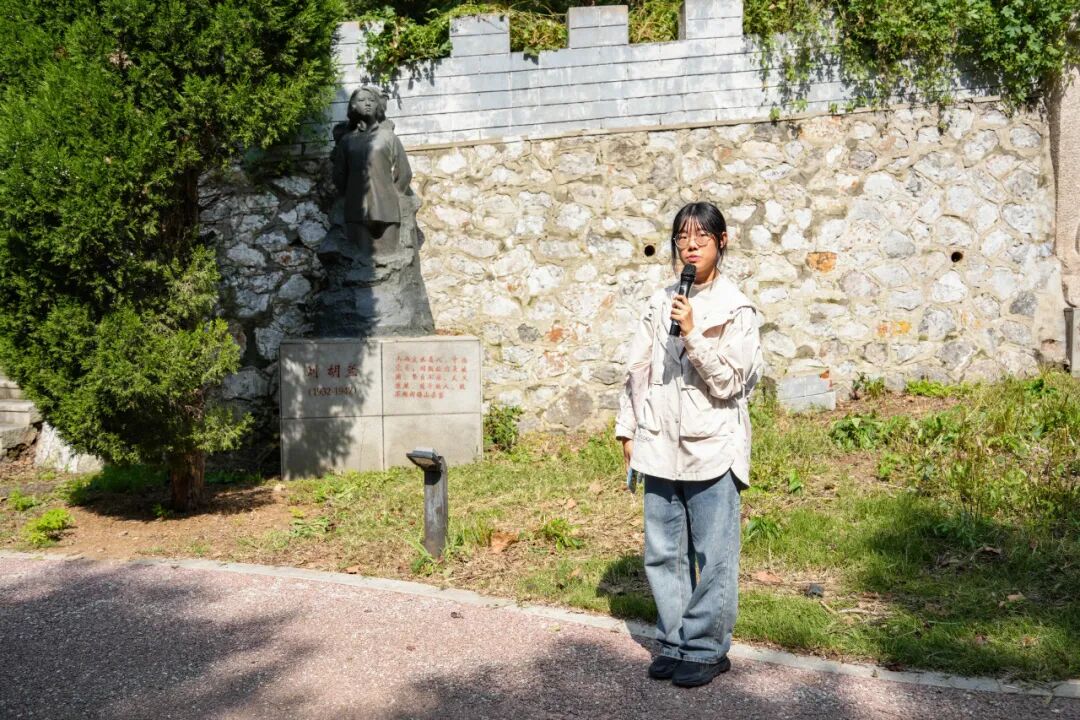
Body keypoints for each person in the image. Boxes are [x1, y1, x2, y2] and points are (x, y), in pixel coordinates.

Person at [615, 201, 763, 688]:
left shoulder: (737, 309)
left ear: (723, 241)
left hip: (712, 446)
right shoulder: (659, 302)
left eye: (701, 237)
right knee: (663, 553)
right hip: (659, 444)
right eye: (682, 237)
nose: (690, 246)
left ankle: (705, 649)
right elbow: (637, 370)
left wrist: (694, 333)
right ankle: (675, 641)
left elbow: (730, 383)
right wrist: (627, 429)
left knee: (713, 556)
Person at [331, 86, 413, 261]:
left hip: (388, 210)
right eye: (361, 100)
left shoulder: (388, 137)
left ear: (378, 106)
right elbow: (339, 175)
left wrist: (394, 195)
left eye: (372, 100)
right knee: (361, 261)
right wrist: (350, 195)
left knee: (391, 257)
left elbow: (404, 172)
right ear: (353, 106)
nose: (367, 103)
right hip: (356, 210)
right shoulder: (347, 141)